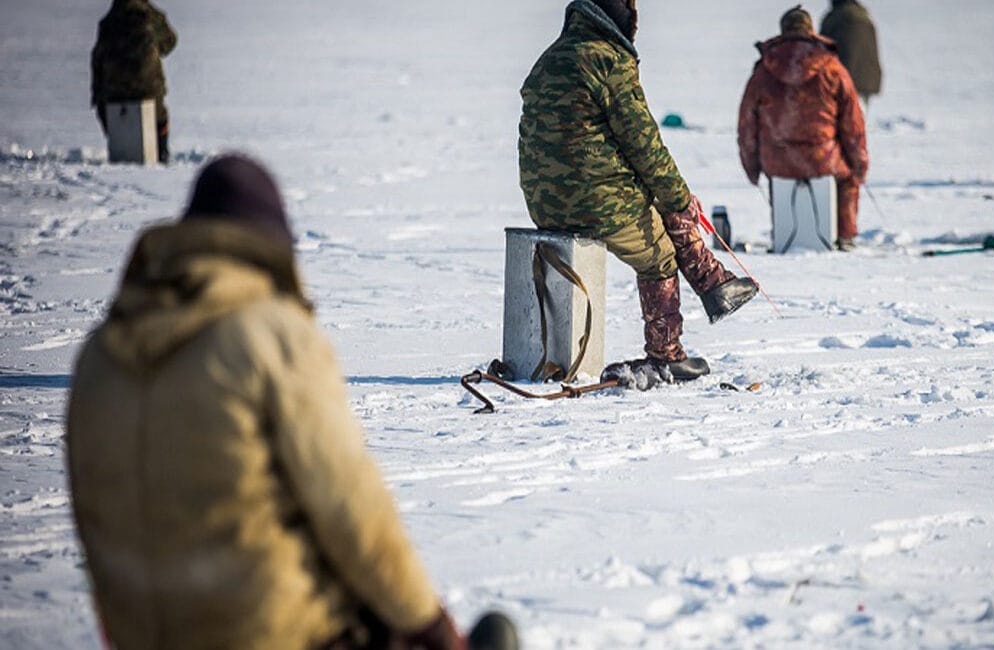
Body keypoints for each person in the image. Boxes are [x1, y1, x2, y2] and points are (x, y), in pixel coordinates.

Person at [66, 155, 466, 650]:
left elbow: (91, 523)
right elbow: (349, 506)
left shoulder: (99, 355)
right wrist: (427, 621)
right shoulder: (270, 335)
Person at [518, 0, 757, 381]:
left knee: (659, 203)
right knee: (659, 255)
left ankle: (714, 283)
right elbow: (644, 145)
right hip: (593, 200)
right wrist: (681, 199)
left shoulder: (548, 59)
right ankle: (668, 352)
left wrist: (669, 197)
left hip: (544, 202)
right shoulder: (608, 60)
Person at [737, 6, 868, 252]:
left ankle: (784, 235)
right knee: (847, 179)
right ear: (810, 31)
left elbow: (747, 125)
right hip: (823, 158)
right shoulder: (832, 68)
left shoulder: (764, 70)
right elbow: (853, 125)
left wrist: (752, 167)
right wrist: (859, 166)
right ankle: (844, 237)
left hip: (777, 160)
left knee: (781, 175)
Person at [90, 0, 177, 163]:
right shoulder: (152, 16)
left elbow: (97, 59)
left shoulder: (108, 22)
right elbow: (170, 42)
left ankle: (121, 147)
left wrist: (97, 92)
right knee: (160, 117)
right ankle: (161, 154)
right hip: (149, 89)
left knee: (110, 113)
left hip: (113, 91)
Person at [819, 0, 882, 105]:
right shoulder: (864, 16)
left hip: (842, 80)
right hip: (866, 79)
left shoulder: (834, 17)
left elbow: (822, 50)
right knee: (858, 112)